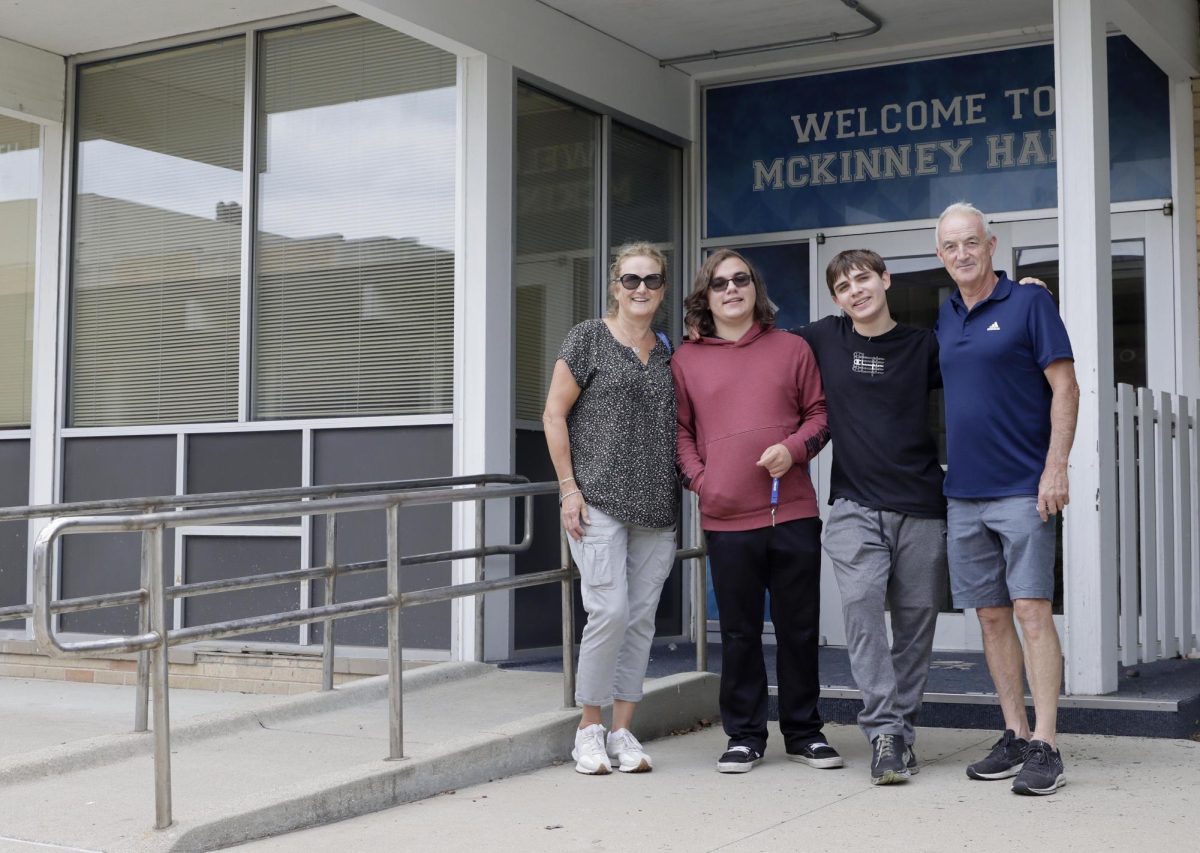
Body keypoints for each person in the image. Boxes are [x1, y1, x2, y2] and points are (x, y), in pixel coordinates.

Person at [672, 248, 838, 775]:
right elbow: (679, 433)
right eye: (719, 284)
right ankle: (744, 735)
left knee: (798, 627)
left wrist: (793, 450)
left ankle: (804, 732)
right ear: (706, 297)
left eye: (740, 280)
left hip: (791, 511)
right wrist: (702, 480)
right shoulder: (686, 360)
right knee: (740, 632)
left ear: (754, 289)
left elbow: (820, 415)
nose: (731, 290)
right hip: (726, 517)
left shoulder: (792, 348)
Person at [934, 202, 1079, 796]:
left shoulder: (1029, 303)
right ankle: (1014, 733)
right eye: (950, 246)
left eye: (971, 242)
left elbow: (1065, 385)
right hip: (963, 492)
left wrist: (1056, 468)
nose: (962, 254)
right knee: (991, 617)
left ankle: (1046, 743)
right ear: (940, 256)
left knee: (1030, 611)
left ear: (991, 244)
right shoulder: (944, 316)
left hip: (1024, 487)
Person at [793, 249, 946, 785]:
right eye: (842, 286)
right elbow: (758, 344)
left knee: (915, 623)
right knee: (861, 610)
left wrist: (1027, 298)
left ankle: (901, 734)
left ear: (885, 280)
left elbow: (982, 364)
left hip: (922, 505)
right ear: (835, 299)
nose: (855, 290)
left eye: (863, 279)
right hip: (855, 505)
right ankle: (883, 730)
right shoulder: (822, 339)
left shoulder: (924, 344)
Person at [542, 242, 679, 776]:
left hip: (657, 506)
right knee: (610, 612)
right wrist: (568, 488)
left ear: (663, 288)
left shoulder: (668, 349)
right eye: (630, 280)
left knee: (641, 619)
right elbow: (554, 415)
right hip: (596, 501)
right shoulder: (588, 338)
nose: (640, 289)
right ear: (615, 286)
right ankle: (589, 730)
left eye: (651, 280)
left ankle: (623, 729)